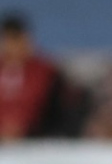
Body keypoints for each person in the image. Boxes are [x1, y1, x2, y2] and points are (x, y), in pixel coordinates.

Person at [0, 12, 65, 141]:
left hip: (33, 138)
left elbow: (42, 103)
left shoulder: (45, 71)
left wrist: (22, 127)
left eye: (17, 39)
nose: (13, 46)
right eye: (9, 39)